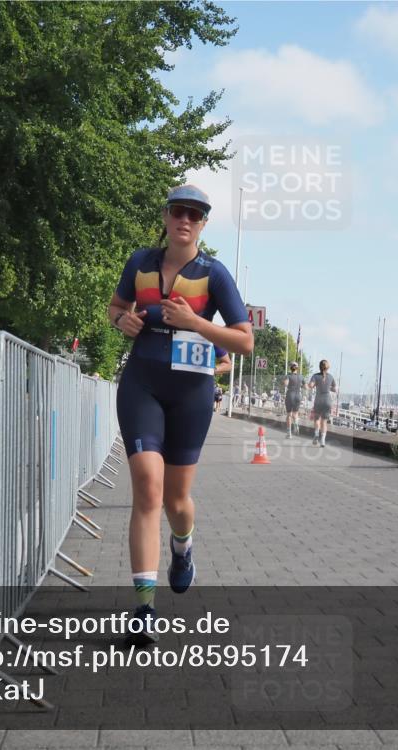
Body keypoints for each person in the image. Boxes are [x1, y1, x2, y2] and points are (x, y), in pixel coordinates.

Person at [108, 184, 253, 646]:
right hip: (142, 385)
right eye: (178, 211)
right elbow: (116, 308)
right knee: (147, 489)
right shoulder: (140, 262)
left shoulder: (215, 274)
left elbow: (244, 340)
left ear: (204, 223)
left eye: (195, 214)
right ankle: (144, 609)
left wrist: (196, 323)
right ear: (167, 216)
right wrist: (121, 321)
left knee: (176, 501)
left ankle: (183, 545)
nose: (185, 220)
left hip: (191, 393)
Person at [307, 359, 336, 447]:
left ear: (319, 367)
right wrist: (328, 388)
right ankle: (322, 440)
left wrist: (311, 385)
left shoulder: (315, 376)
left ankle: (316, 434)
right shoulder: (331, 377)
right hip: (327, 400)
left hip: (318, 400)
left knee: (317, 419)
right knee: (324, 421)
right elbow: (335, 389)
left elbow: (311, 386)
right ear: (328, 367)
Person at [282, 362, 303, 439]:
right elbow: (305, 386)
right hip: (298, 396)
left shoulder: (288, 376)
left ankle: (289, 433)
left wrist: (284, 381)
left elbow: (285, 384)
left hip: (290, 395)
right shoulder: (301, 376)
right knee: (295, 414)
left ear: (290, 368)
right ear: (297, 368)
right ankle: (296, 423)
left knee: (289, 415)